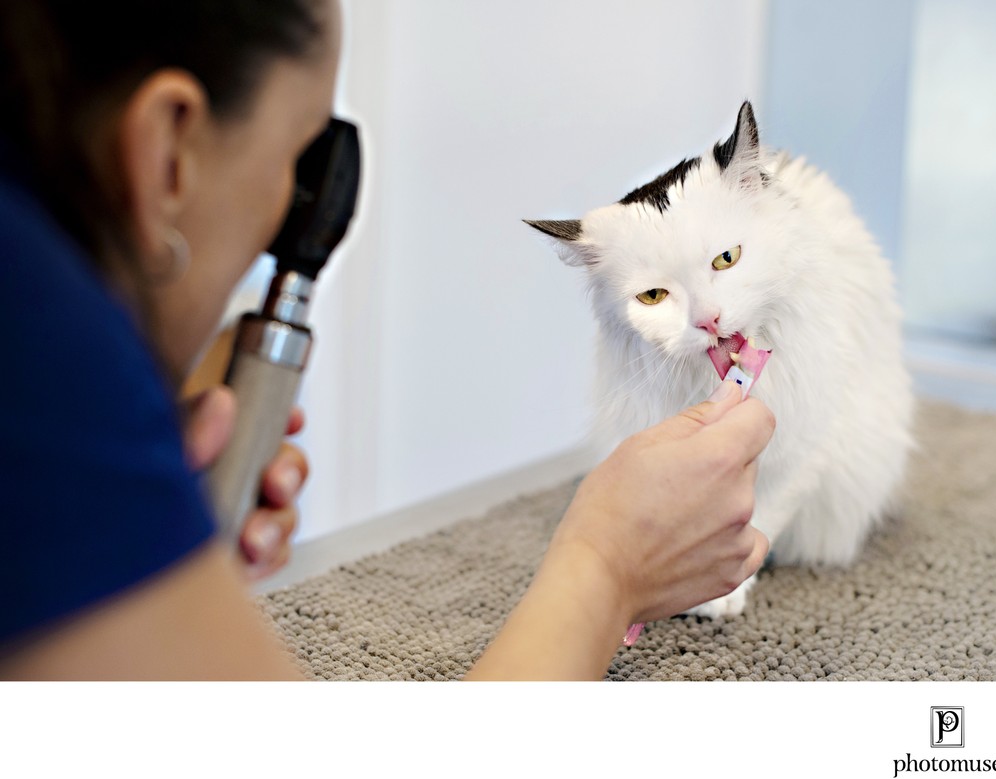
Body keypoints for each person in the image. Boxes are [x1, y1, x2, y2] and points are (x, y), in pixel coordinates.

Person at [0, 0, 774, 681]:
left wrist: (139, 516)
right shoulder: (38, 344)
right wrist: (606, 566)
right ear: (168, 148)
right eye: (298, 158)